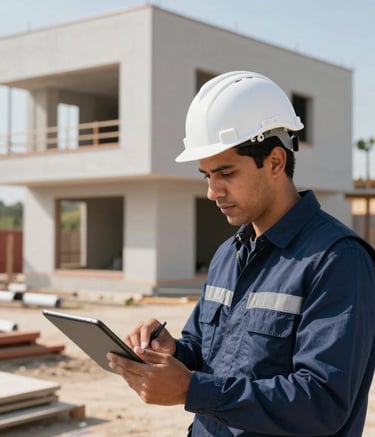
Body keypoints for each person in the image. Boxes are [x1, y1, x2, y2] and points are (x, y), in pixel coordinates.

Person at [107, 71, 375, 436]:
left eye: (226, 173)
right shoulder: (227, 255)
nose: (212, 191)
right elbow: (207, 352)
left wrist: (191, 390)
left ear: (276, 162)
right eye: (206, 176)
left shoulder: (337, 260)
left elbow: (322, 402)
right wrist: (172, 352)